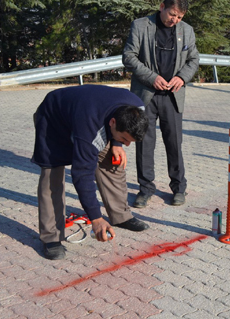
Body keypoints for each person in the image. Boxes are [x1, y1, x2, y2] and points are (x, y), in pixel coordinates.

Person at [32, 85, 150, 260]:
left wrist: (117, 144)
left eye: (130, 141)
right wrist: (96, 218)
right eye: (125, 139)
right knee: (52, 176)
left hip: (88, 112)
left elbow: (122, 132)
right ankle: (51, 237)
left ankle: (121, 216)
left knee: (112, 159)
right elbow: (82, 175)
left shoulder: (138, 108)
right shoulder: (89, 129)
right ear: (113, 123)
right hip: (53, 119)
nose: (127, 144)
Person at [122, 0, 200, 209]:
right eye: (172, 14)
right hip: (146, 95)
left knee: (174, 144)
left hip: (173, 97)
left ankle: (178, 188)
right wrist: (151, 77)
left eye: (180, 17)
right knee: (144, 144)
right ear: (162, 7)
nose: (174, 20)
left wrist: (182, 78)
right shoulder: (140, 26)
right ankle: (145, 189)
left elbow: (194, 60)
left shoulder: (187, 31)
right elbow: (129, 57)